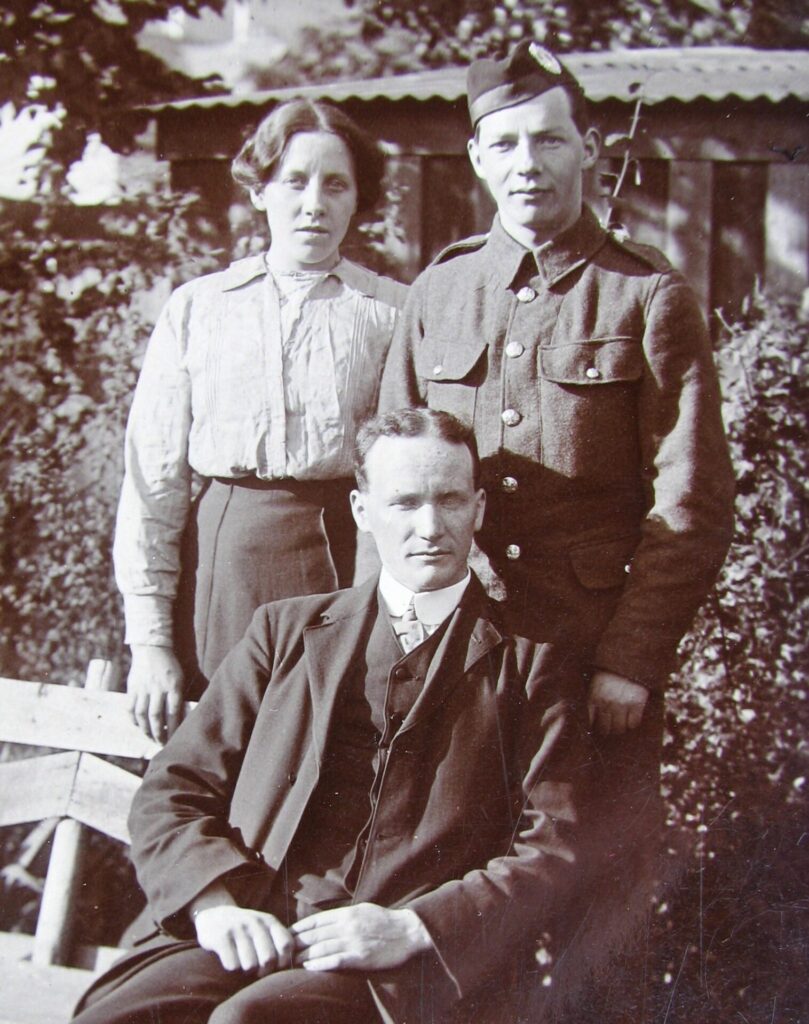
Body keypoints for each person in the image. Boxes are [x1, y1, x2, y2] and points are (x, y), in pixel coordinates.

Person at [72, 409, 595, 1024]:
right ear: (361, 512)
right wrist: (216, 906)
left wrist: (412, 928)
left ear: (478, 509)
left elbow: (557, 842)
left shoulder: (535, 661)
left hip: (399, 965)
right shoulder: (284, 631)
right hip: (251, 921)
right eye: (404, 503)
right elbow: (173, 788)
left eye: (450, 500)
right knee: (119, 1016)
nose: (430, 527)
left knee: (249, 1022)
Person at [379, 41, 734, 741]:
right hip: (454, 636)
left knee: (590, 845)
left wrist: (632, 657)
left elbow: (690, 498)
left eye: (548, 140)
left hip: (589, 652)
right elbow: (391, 474)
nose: (526, 164)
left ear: (589, 148)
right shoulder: (439, 291)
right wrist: (399, 627)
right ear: (478, 158)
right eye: (504, 144)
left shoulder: (643, 295)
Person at [114, 99, 407, 742]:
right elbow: (152, 481)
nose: (314, 203)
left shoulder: (390, 313)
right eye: (295, 181)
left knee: (327, 757)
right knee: (218, 757)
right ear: (259, 189)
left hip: (343, 558)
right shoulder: (199, 308)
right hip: (221, 564)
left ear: (359, 198)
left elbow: (403, 478)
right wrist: (151, 643)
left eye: (336, 184)